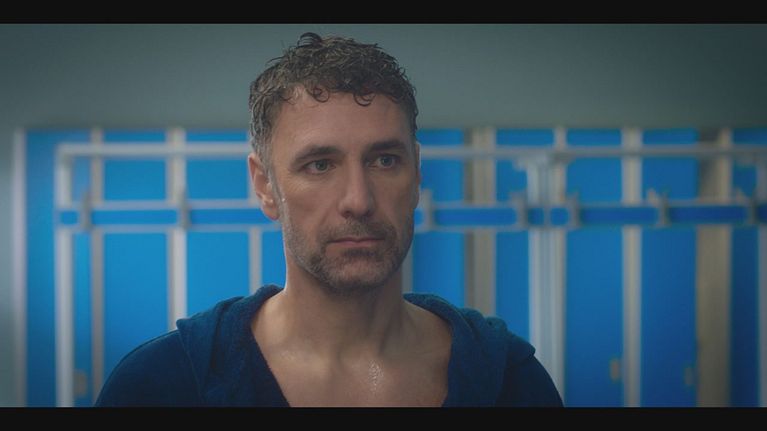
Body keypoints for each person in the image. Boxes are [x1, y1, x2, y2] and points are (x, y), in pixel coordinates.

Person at [95, 32, 563, 407]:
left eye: (384, 160)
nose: (358, 200)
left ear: (417, 173)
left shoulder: (513, 383)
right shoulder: (159, 384)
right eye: (320, 165)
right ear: (264, 185)